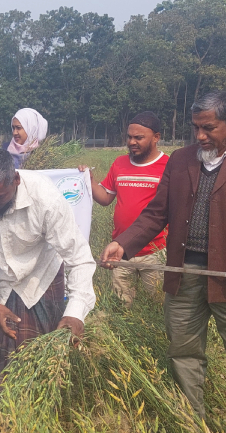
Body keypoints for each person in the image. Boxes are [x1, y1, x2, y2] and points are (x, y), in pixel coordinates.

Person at [100, 91, 226, 433]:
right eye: (195, 128)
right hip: (184, 275)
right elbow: (157, 214)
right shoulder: (182, 161)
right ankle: (193, 431)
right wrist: (123, 244)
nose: (200, 136)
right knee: (184, 355)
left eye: (209, 128)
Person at [0, 147, 97, 425]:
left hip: (40, 276)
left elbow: (79, 259)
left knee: (33, 349)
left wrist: (75, 312)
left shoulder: (46, 198)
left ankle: (30, 416)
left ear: (15, 180)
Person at [79, 112, 168, 307]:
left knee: (156, 307)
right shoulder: (120, 163)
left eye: (139, 138)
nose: (132, 142)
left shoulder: (167, 166)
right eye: (129, 137)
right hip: (121, 251)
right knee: (122, 306)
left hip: (155, 252)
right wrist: (89, 180)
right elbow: (105, 198)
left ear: (156, 137)